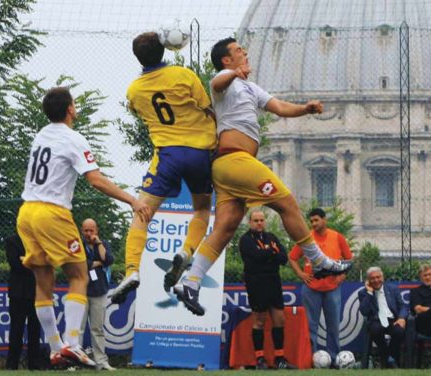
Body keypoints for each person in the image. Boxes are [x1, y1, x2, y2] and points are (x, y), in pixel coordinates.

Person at [173, 37, 352, 316]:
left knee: (225, 228)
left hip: (228, 168)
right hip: (236, 160)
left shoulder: (249, 87)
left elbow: (279, 107)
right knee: (287, 203)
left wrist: (305, 108)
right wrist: (234, 73)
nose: (244, 52)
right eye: (237, 51)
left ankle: (190, 282)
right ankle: (318, 260)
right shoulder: (225, 79)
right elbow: (216, 84)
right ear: (226, 60)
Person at [16, 87, 151, 368]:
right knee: (79, 275)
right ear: (70, 109)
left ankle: (56, 349)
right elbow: (96, 180)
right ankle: (73, 344)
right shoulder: (73, 138)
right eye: (74, 103)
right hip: (52, 212)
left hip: (26, 212)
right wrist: (132, 200)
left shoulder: (41, 135)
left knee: (44, 281)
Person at [111, 31, 217, 304]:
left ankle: (132, 270)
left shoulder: (134, 90)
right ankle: (187, 252)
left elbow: (139, 112)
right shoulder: (184, 75)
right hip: (200, 152)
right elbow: (207, 108)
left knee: (142, 212)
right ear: (165, 50)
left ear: (138, 57)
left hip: (168, 154)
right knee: (202, 209)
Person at [288, 208, 353, 364]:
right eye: (311, 221)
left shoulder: (337, 237)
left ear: (325, 220)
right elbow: (292, 257)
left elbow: (349, 259)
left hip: (332, 288)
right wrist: (301, 274)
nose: (313, 223)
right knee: (311, 326)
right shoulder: (306, 238)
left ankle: (334, 359)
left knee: (333, 326)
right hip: (311, 288)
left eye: (316, 220)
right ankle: (312, 359)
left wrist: (342, 276)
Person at [239, 209, 296, 370]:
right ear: (250, 222)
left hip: (273, 281)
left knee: (279, 319)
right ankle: (260, 359)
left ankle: (279, 359)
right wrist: (271, 252)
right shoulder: (245, 240)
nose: (259, 223)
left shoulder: (271, 237)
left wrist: (267, 253)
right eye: (256, 220)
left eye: (261, 220)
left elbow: (283, 258)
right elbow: (255, 257)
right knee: (259, 321)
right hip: (256, 282)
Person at [79, 218, 116, 371]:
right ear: (82, 230)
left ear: (96, 230)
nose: (88, 233)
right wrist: (94, 263)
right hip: (80, 291)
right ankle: (76, 362)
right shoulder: (78, 244)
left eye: (91, 230)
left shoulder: (103, 243)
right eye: (86, 230)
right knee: (78, 329)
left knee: (97, 329)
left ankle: (101, 362)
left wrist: (98, 243)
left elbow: (108, 260)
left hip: (98, 291)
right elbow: (77, 262)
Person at [5, 233, 44, 370]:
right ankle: (12, 365)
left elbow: (43, 262)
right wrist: (33, 261)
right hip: (17, 293)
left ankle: (35, 365)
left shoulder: (39, 241)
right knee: (16, 329)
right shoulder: (12, 240)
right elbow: (14, 263)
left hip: (36, 291)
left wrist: (25, 259)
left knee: (35, 330)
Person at [358, 266, 407, 368]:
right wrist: (370, 293)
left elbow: (402, 305)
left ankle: (387, 358)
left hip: (392, 319)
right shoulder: (363, 293)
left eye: (378, 277)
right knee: (375, 329)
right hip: (376, 320)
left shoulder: (393, 289)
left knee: (400, 331)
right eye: (373, 278)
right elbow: (364, 311)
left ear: (383, 277)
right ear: (368, 280)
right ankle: (390, 359)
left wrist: (401, 318)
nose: (376, 280)